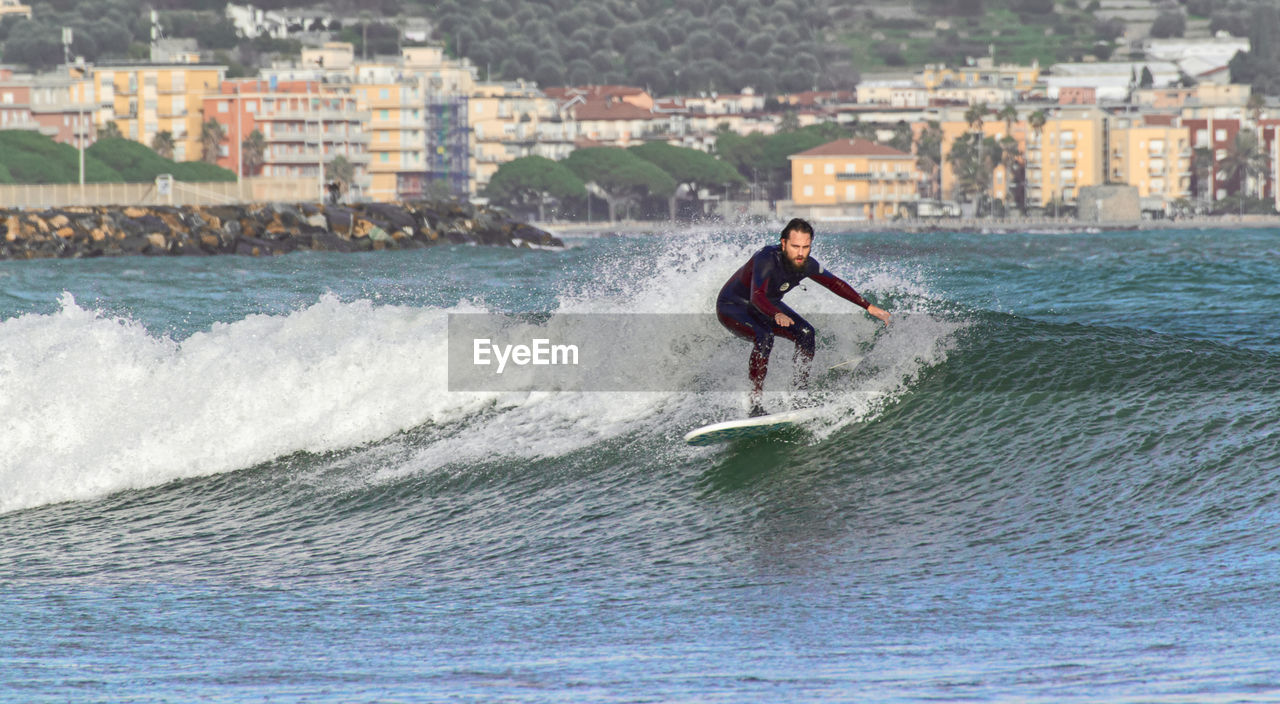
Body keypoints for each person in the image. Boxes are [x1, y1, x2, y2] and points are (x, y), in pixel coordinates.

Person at [716, 218, 890, 417]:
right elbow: (757, 296)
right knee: (764, 336)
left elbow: (834, 283)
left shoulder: (805, 264)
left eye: (806, 247)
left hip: (767, 305)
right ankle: (755, 404)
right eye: (795, 246)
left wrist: (867, 306)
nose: (800, 253)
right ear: (783, 243)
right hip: (733, 305)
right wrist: (776, 313)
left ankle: (799, 394)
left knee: (806, 333)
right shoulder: (766, 258)